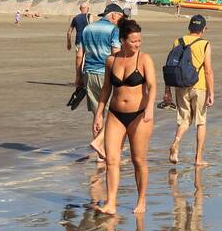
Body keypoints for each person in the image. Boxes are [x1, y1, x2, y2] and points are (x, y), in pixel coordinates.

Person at [92, 18, 156, 215]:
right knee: (112, 160)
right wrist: (99, 113)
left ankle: (141, 199)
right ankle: (111, 202)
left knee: (138, 160)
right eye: (133, 41)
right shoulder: (111, 60)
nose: (137, 44)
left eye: (139, 41)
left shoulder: (144, 59)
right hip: (115, 114)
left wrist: (150, 107)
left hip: (140, 115)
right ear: (122, 40)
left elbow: (152, 86)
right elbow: (105, 89)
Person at [162, 14, 214, 167]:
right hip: (200, 86)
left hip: (180, 85)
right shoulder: (205, 44)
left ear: (189, 27)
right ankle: (198, 159)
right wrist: (211, 93)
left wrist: (167, 90)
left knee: (184, 120)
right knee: (200, 122)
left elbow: (170, 67)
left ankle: (176, 143)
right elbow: (208, 71)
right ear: (203, 29)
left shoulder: (178, 41)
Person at [79, 3, 125, 156]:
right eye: (121, 18)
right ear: (113, 15)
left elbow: (80, 54)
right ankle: (102, 145)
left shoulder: (87, 28)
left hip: (88, 73)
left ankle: (100, 154)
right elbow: (116, 54)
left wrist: (78, 76)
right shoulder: (114, 30)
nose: (122, 22)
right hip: (106, 74)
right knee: (115, 112)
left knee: (97, 114)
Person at [67, 1, 92, 88]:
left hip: (79, 40)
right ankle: (86, 81)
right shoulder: (89, 16)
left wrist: (68, 43)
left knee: (79, 60)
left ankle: (78, 80)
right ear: (88, 9)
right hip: (88, 41)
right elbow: (92, 28)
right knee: (88, 61)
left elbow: (69, 32)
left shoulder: (75, 18)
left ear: (80, 9)